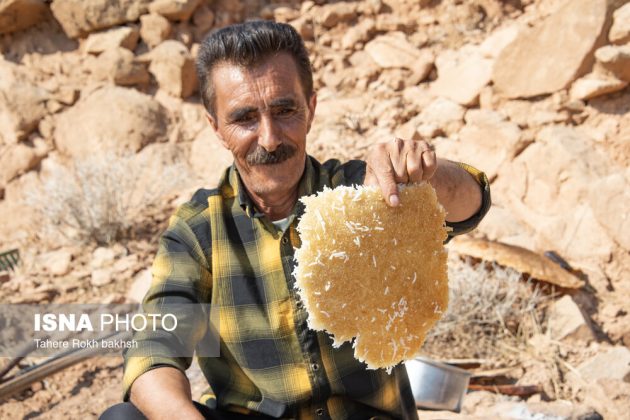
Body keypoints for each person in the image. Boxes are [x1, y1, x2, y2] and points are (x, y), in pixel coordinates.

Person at [100, 20, 490, 420]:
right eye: (244, 118)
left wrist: (426, 172)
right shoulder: (199, 231)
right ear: (216, 127)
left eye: (284, 110)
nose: (269, 138)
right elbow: (155, 345)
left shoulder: (364, 194)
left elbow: (470, 203)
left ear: (311, 109)